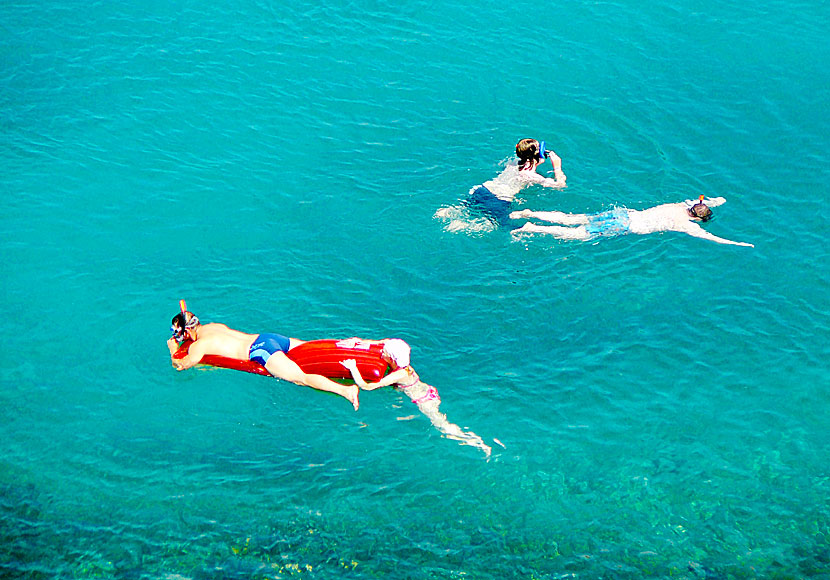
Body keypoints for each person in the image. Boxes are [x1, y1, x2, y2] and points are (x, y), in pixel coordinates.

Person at [167, 310, 360, 410]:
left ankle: (346, 391)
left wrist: (173, 349)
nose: (178, 337)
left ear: (185, 331)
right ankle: (347, 345)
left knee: (301, 378)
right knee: (309, 346)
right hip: (266, 337)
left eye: (177, 333)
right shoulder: (213, 326)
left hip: (260, 350)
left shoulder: (198, 345)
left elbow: (182, 365)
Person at [339, 338, 493, 458]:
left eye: (384, 353)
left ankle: (476, 443)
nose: (381, 353)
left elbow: (367, 386)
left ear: (392, 359)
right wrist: (358, 342)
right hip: (426, 389)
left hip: (423, 400)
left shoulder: (399, 374)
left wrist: (353, 368)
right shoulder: (401, 361)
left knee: (443, 427)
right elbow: (384, 342)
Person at [510, 196, 754, 247]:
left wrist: (716, 200)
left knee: (575, 219)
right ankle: (534, 228)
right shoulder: (685, 225)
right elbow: (710, 237)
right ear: (697, 219)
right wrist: (737, 243)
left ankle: (531, 213)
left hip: (624, 214)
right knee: (579, 235)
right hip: (623, 226)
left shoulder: (679, 206)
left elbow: (697, 198)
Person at [435, 138, 567, 232]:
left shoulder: (513, 162)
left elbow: (528, 163)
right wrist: (557, 166)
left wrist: (538, 157)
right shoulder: (530, 176)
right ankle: (463, 226)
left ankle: (450, 212)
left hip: (482, 190)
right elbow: (559, 185)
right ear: (535, 156)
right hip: (498, 201)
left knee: (469, 208)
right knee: (503, 227)